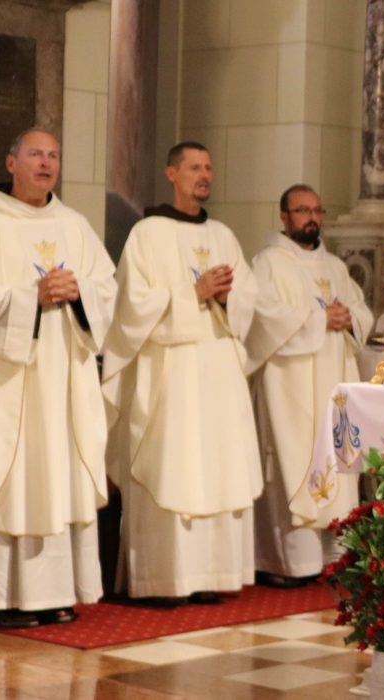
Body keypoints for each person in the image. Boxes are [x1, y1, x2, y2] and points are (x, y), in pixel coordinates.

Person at [102, 142, 262, 605]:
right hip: (171, 373)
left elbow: (249, 298)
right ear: (171, 173)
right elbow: (130, 305)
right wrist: (193, 292)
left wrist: (228, 298)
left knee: (217, 465)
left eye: (208, 167)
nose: (204, 174)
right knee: (173, 463)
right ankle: (164, 579)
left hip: (218, 370)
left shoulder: (224, 236)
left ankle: (213, 574)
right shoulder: (147, 234)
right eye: (194, 167)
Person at [0, 129, 118, 627]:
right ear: (10, 163)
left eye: (54, 155)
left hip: (63, 378)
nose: (46, 163)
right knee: (10, 478)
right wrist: (29, 298)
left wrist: (79, 293)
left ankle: (56, 593)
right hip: (5, 381)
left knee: (59, 475)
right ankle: (1, 599)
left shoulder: (74, 225)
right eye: (35, 154)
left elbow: (108, 288)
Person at [245, 185, 374, 587]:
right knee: (294, 462)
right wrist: (320, 320)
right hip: (289, 387)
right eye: (303, 210)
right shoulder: (267, 264)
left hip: (334, 381)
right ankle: (291, 562)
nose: (312, 218)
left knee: (336, 463)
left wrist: (349, 318)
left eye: (317, 210)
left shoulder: (334, 266)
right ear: (284, 216)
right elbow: (261, 318)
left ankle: (336, 556)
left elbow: (361, 310)